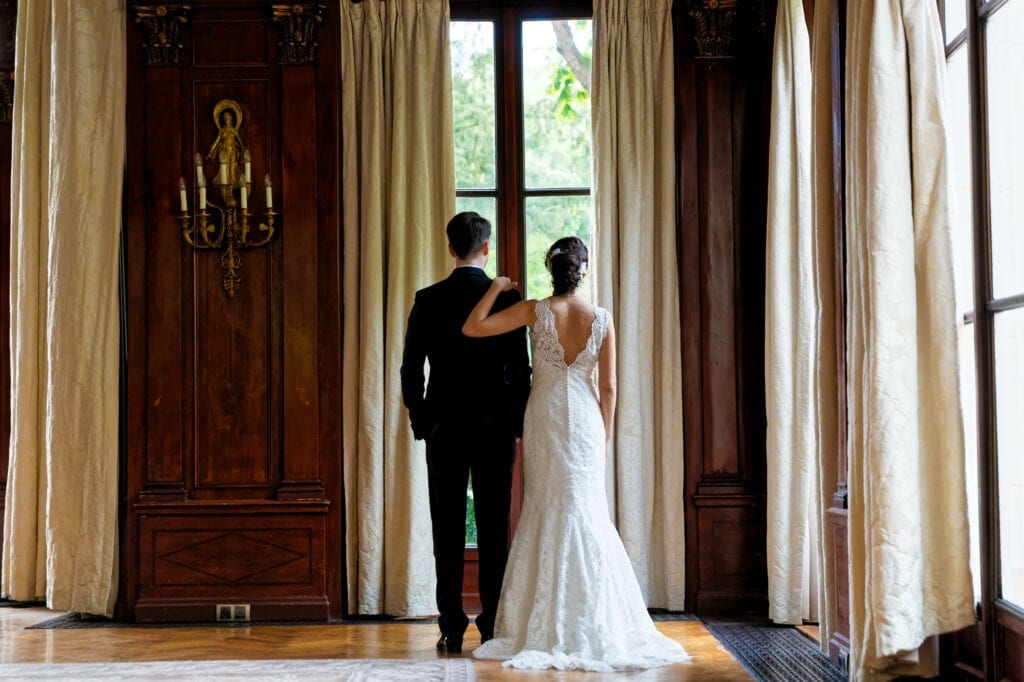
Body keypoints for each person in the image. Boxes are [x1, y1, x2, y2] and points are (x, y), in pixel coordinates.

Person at [462, 236, 690, 671]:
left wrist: (495, 287)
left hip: (545, 415)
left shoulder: (534, 310)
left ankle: (540, 623)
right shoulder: (601, 318)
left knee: (547, 508)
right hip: (585, 420)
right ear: (583, 270)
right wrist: (603, 435)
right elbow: (609, 386)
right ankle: (596, 621)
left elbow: (473, 327)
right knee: (586, 512)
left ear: (551, 270)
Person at [400, 211, 531, 654]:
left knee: (447, 530)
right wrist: (515, 425)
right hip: (495, 430)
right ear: (486, 247)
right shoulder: (507, 300)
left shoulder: (428, 298)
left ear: (450, 248)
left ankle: (451, 625)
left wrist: (423, 421)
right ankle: (492, 623)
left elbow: (410, 367)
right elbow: (521, 371)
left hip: (444, 427)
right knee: (495, 529)